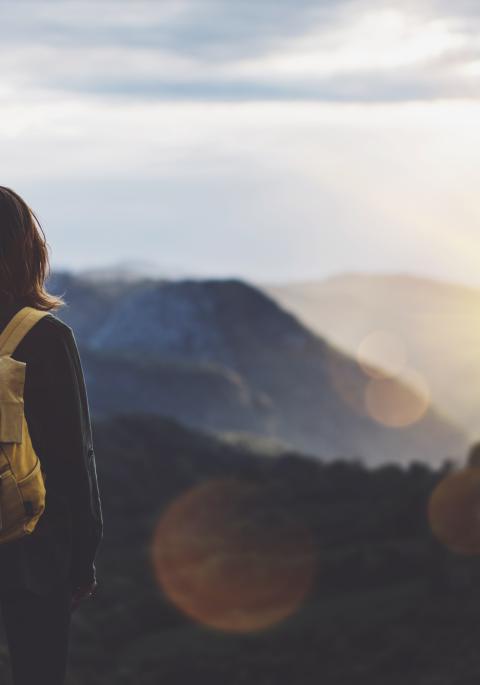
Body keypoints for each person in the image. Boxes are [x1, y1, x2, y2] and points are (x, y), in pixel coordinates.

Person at [0, 186, 103, 684]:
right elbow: (73, 460)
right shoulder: (44, 337)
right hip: (33, 552)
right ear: (27, 251)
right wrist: (82, 559)